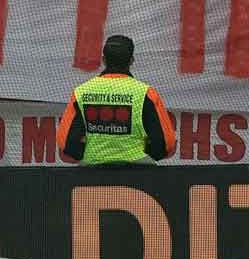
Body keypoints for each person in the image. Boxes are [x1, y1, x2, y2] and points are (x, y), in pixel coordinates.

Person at [57, 35, 177, 165]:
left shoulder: (81, 92)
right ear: (131, 60)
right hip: (138, 169)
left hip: (92, 168)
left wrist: (82, 155)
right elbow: (166, 143)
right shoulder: (146, 93)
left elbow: (65, 142)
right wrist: (147, 153)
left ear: (103, 60)